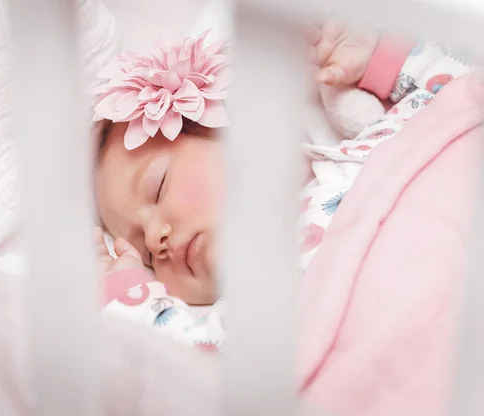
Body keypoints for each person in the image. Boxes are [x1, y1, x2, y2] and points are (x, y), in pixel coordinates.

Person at [93, 23, 476, 353]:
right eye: (144, 253)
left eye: (158, 188)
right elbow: (203, 358)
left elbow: (462, 88)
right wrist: (128, 297)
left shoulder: (376, 144)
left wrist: (377, 59)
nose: (158, 238)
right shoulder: (254, 308)